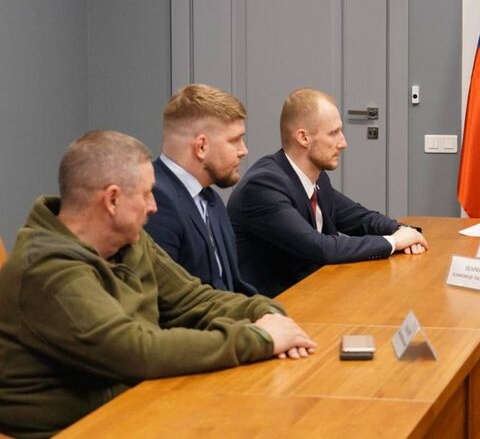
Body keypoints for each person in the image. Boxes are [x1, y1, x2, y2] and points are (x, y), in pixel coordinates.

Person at [0, 131, 316, 437]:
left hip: (135, 405)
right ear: (112, 200)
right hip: (72, 428)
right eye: (146, 193)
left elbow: (194, 299)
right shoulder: (46, 268)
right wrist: (259, 338)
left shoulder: (130, 240)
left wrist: (264, 312)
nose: (153, 206)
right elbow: (135, 351)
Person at [228, 88, 428, 296]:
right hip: (273, 305)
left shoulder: (316, 177)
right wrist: (394, 242)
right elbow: (319, 247)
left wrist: (404, 231)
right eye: (333, 133)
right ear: (303, 138)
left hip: (312, 293)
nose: (343, 143)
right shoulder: (263, 186)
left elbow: (358, 218)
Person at [144, 84, 256, 294]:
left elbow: (233, 286)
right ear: (201, 146)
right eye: (235, 140)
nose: (244, 150)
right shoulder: (154, 200)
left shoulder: (210, 198)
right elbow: (166, 300)